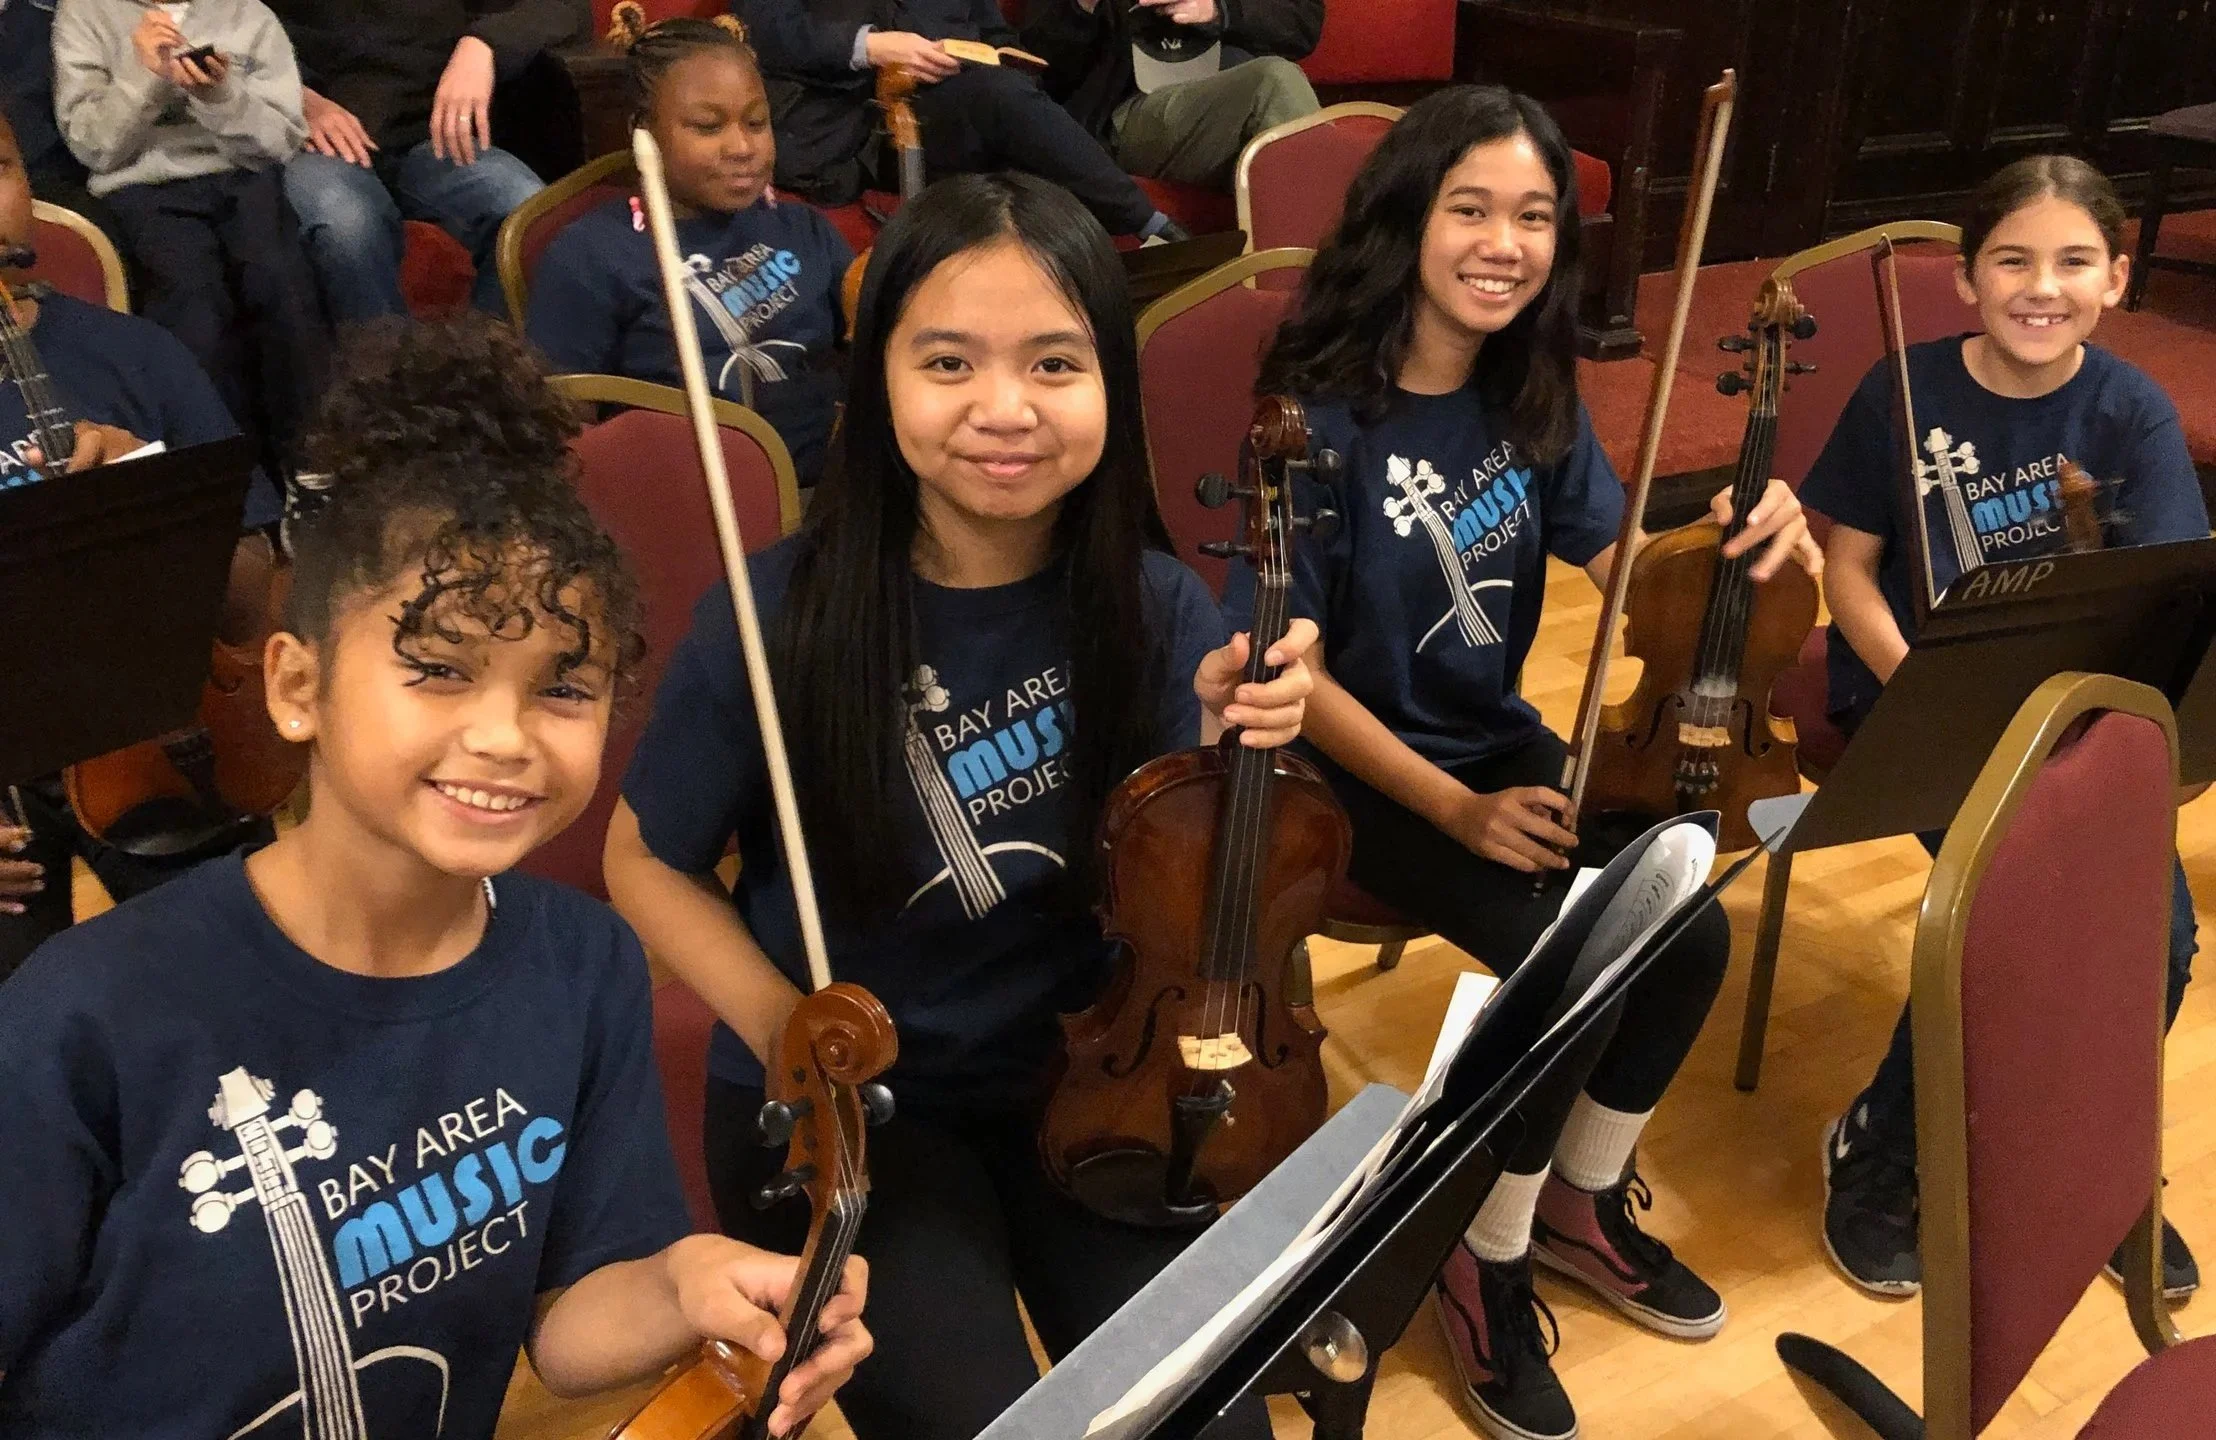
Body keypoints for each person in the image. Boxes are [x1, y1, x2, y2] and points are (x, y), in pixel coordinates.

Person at [0, 317, 871, 1439]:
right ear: (296, 685)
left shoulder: (583, 961)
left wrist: (683, 1282)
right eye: (438, 670)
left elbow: (563, 1322)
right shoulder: (81, 1019)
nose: (505, 735)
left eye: (563, 686)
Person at [603, 171, 1313, 1440]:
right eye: (947, 361)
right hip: (851, 1113)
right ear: (877, 379)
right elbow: (639, 859)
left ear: (1110, 387)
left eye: (1054, 364)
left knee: (1213, 1416)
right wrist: (795, 1032)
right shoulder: (776, 617)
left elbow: (1167, 899)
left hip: (1085, 1081)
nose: (1003, 411)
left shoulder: (1155, 608)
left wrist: (1226, 757)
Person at [1240, 85, 1819, 1440]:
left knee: (1688, 927)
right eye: (1472, 210)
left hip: (1500, 757)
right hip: (1358, 788)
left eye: (1536, 216)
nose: (1505, 242)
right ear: (1408, 218)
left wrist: (1731, 551)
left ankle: (1571, 1198)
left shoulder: (1528, 386)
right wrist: (1453, 804)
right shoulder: (1320, 417)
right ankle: (1473, 1248)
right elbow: (1293, 675)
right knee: (1575, 963)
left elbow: (1631, 567)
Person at [1802, 153, 2208, 1306]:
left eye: (2072, 261)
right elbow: (1848, 574)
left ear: (2116, 277)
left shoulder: (2125, 409)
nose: (2042, 286)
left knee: (2159, 941)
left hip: (2068, 719)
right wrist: (1932, 694)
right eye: (2011, 260)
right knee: (2004, 912)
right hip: (1912, 700)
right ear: (1967, 278)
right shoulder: (1902, 386)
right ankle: (1883, 1144)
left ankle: (2076, 1162)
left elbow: (2163, 600)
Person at [0, 107, 286, 981]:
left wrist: (155, 496)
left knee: (253, 982)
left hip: (171, 747)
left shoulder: (137, 355)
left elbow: (255, 596)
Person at [529, 7, 849, 486]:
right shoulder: (590, 256)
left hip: (838, 489)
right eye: (707, 126)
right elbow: (555, 436)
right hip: (697, 502)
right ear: (644, 132)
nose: (741, 147)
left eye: (757, 122)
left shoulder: (800, 225)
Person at [52, 0, 331, 479]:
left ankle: (315, 474)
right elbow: (93, 148)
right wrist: (146, 77)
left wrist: (221, 94)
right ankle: (234, 487)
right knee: (193, 307)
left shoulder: (248, 13)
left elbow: (279, 141)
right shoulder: (85, 13)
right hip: (141, 187)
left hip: (242, 176)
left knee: (282, 284)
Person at [738, 0, 1188, 241]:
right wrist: (871, 47)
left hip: (949, 110)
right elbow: (769, 30)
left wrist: (997, 58)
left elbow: (995, 36)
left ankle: (1135, 243)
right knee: (1006, 106)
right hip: (847, 128)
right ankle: (1151, 226)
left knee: (1009, 101)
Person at [267, 0, 584, 322]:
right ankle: (383, 370)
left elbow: (567, 7)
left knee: (528, 208)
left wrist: (484, 44)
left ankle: (478, 364)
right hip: (316, 137)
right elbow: (225, 37)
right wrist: (295, 96)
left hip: (432, 134)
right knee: (344, 224)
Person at [1022, 0, 1319, 194]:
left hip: (1237, 86)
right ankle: (1332, 283)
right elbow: (1035, 62)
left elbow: (1303, 23)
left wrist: (1218, 9)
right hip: (1131, 110)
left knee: (1280, 90)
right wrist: (1082, 7)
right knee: (1276, 83)